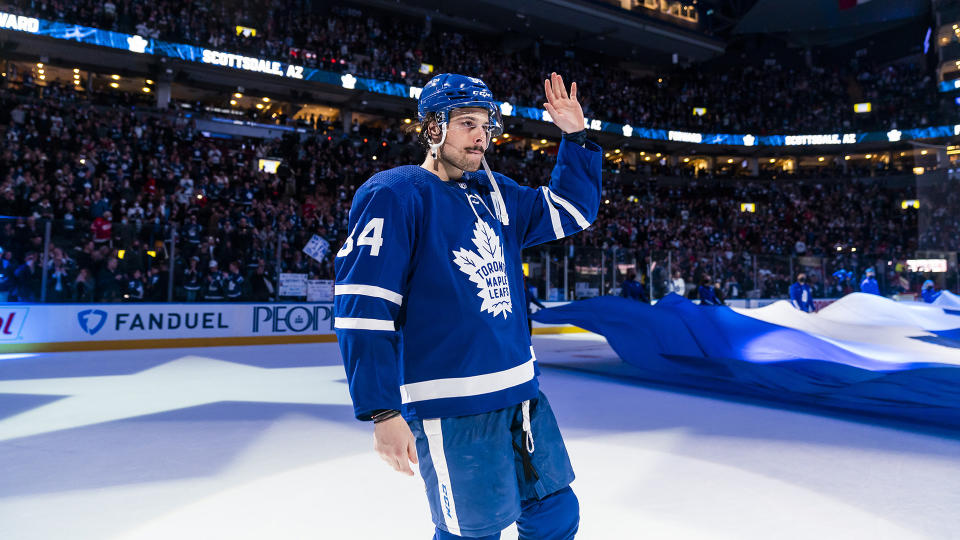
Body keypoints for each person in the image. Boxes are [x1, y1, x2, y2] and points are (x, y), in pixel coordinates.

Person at [334, 72, 600, 539]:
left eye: (487, 125)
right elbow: (364, 306)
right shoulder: (396, 193)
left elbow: (574, 210)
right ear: (433, 128)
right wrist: (381, 411)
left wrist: (575, 137)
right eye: (466, 123)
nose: (481, 136)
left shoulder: (495, 194)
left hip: (522, 395)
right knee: (472, 533)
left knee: (556, 515)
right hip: (453, 406)